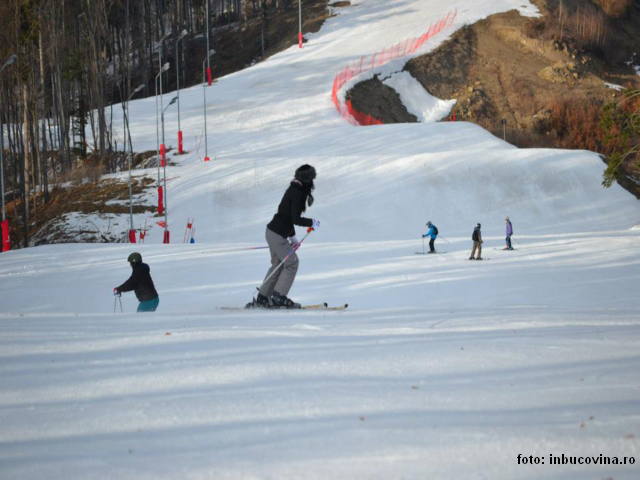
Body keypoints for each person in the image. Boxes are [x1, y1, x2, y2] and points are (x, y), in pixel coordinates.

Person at [249, 164, 320, 309]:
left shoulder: (294, 189)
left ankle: (263, 296)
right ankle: (279, 296)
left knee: (278, 265)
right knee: (292, 263)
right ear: (307, 181)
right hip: (277, 235)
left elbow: (287, 217)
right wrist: (311, 222)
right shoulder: (297, 193)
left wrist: (293, 239)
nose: (312, 185)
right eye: (311, 180)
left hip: (272, 231)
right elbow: (295, 219)